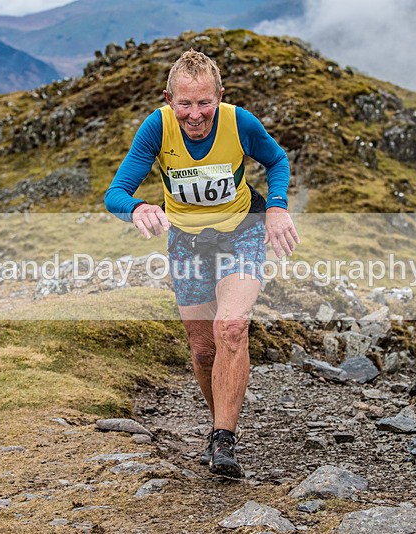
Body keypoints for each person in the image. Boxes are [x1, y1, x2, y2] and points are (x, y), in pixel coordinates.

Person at [104, 49, 299, 478]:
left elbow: (277, 161)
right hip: (187, 246)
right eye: (186, 104)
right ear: (169, 99)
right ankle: (219, 425)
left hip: (242, 233)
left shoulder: (239, 121)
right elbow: (115, 191)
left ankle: (224, 439)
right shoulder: (156, 127)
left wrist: (277, 207)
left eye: (205, 102)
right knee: (203, 350)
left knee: (231, 326)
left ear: (220, 96)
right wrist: (136, 209)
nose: (196, 115)